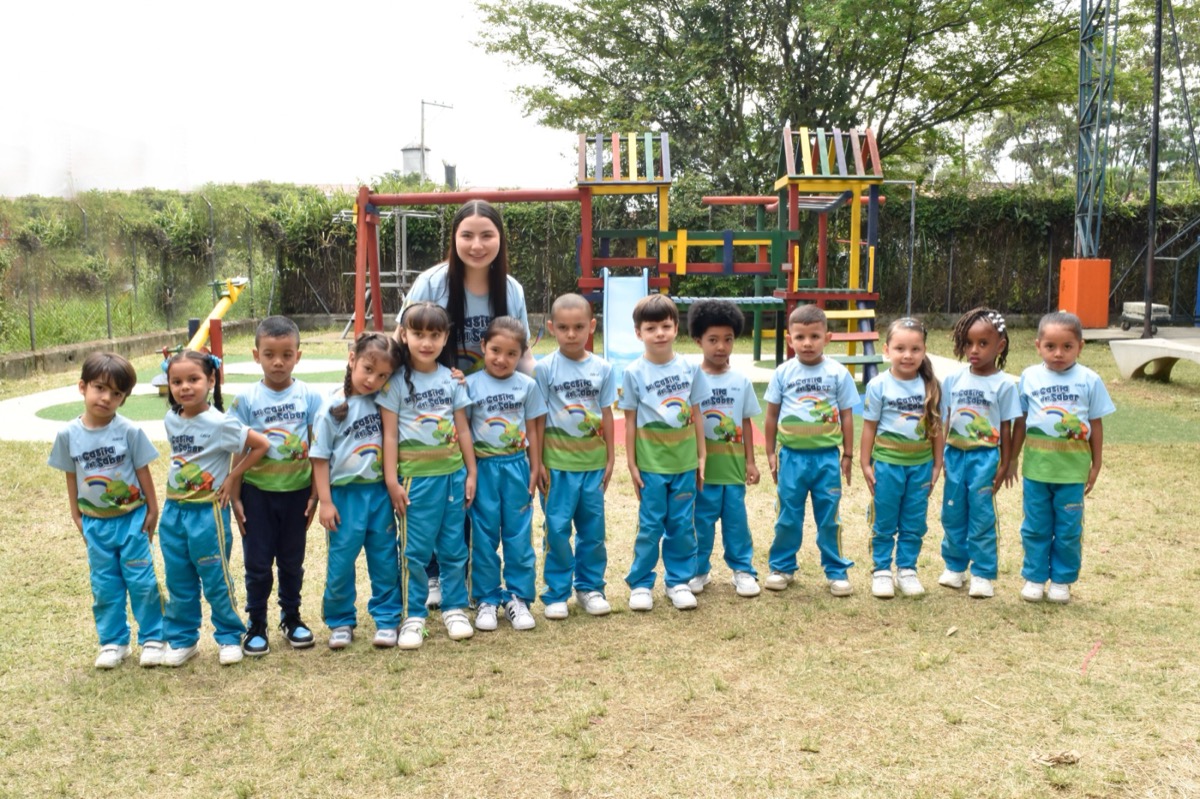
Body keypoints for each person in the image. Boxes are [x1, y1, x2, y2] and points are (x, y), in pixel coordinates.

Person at [392, 200, 533, 607]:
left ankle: (466, 574)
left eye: (487, 235)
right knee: (437, 490)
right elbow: (405, 338)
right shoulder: (432, 283)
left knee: (472, 496)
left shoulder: (511, 289)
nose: (476, 244)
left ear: (500, 238)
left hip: (489, 412)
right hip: (438, 408)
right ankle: (433, 575)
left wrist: (539, 390)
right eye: (467, 235)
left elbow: (521, 354)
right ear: (453, 239)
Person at [48, 352, 165, 669]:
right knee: (105, 586)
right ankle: (113, 643)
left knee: (142, 582)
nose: (106, 398)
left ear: (123, 399)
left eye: (116, 393)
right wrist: (76, 515)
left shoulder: (129, 431)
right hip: (95, 525)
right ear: (82, 387)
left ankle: (153, 637)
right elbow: (72, 476)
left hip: (132, 521)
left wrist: (152, 511)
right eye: (100, 388)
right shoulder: (67, 435)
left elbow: (143, 473)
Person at [159, 350, 268, 666]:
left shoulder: (222, 422)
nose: (185, 387)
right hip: (174, 512)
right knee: (178, 578)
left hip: (208, 515)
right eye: (176, 381)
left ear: (211, 380)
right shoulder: (171, 419)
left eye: (193, 379)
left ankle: (229, 636)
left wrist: (233, 477)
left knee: (215, 577)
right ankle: (183, 640)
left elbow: (261, 445)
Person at [379, 302, 477, 649]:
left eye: (434, 335)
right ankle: (414, 615)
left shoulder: (452, 378)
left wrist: (471, 472)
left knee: (454, 548)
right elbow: (389, 435)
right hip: (415, 482)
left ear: (445, 337)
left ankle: (455, 608)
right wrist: (392, 480)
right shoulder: (393, 384)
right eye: (418, 334)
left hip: (453, 476)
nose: (426, 342)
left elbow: (463, 429)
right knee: (415, 551)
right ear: (403, 334)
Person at [227, 316, 322, 656]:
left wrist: (314, 494)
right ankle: (256, 624)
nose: (278, 362)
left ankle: (292, 617)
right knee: (257, 561)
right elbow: (237, 450)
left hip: (297, 494)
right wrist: (235, 496)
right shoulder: (246, 400)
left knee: (292, 560)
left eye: (286, 354)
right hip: (257, 496)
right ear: (256, 356)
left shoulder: (310, 396)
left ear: (298, 355)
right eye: (269, 354)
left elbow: (317, 447)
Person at [1010, 311, 1114, 604]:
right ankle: (1034, 577)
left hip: (1072, 472)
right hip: (1036, 470)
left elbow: (1095, 423)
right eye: (1051, 346)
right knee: (1035, 526)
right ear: (1038, 345)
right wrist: (1013, 458)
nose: (1058, 353)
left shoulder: (1090, 380)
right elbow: (1021, 420)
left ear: (1080, 346)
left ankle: (1062, 580)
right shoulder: (1029, 376)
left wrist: (1096, 463)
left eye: (1067, 347)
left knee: (1068, 529)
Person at [310, 332, 404, 650]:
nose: (373, 379)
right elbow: (319, 458)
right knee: (341, 561)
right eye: (367, 369)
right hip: (344, 498)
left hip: (378, 495)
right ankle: (340, 621)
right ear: (352, 359)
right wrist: (325, 501)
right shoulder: (332, 407)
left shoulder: (386, 401)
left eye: (383, 375)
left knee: (385, 558)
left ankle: (388, 618)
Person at [618, 293, 710, 612]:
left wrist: (701, 456)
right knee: (650, 525)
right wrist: (631, 464)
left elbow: (697, 413)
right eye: (651, 327)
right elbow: (629, 422)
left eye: (666, 326)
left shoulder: (690, 367)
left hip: (684, 465)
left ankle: (678, 581)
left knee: (682, 525)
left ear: (676, 328)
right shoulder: (633, 373)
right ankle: (641, 583)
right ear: (638, 333)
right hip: (651, 466)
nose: (659, 333)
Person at [763, 305, 858, 596]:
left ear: (827, 337)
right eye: (800, 336)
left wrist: (848, 454)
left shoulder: (838, 373)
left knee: (829, 517)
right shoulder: (783, 372)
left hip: (827, 459)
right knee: (788, 516)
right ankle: (781, 567)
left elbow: (847, 416)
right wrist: (769, 452)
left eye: (814, 336)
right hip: (791, 458)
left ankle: (836, 571)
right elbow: (771, 415)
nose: (807, 343)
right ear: (789, 338)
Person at [534, 293, 616, 619]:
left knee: (592, 531)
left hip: (593, 466)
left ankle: (590, 588)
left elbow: (607, 413)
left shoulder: (604, 369)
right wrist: (537, 461)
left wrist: (611, 458)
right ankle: (556, 592)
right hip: (556, 468)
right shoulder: (544, 369)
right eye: (564, 327)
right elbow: (537, 418)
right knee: (556, 530)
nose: (571, 334)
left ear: (592, 327)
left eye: (579, 327)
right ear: (552, 327)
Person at [465, 317, 547, 631]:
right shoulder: (470, 385)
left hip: (516, 467)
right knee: (483, 536)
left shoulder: (527, 386)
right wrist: (470, 472)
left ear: (521, 355)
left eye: (511, 353)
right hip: (483, 468)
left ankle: (518, 598)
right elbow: (464, 430)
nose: (502, 359)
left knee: (518, 534)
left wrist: (535, 466)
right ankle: (486, 599)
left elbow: (535, 430)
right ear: (483, 346)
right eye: (495, 350)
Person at [938, 308, 1021, 599]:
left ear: (1000, 346)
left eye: (983, 343)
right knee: (952, 511)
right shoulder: (952, 380)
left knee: (982, 515)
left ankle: (983, 573)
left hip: (985, 458)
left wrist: (1008, 462)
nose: (974, 350)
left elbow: (1007, 427)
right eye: (968, 343)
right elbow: (945, 420)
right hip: (955, 455)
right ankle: (954, 567)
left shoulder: (1005, 385)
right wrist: (941, 457)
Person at [861, 317, 944, 599]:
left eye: (915, 349)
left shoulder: (931, 386)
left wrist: (936, 465)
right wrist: (864, 462)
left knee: (914, 520)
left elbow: (937, 429)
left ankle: (907, 569)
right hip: (886, 466)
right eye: (900, 348)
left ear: (924, 351)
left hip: (920, 468)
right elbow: (869, 426)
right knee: (884, 519)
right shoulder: (878, 385)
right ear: (887, 350)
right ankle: (882, 571)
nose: (907, 355)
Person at [687, 300, 762, 598]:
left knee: (736, 524)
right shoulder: (691, 378)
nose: (721, 347)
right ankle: (698, 570)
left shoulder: (741, 380)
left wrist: (751, 462)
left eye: (728, 339)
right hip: (702, 473)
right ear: (698, 341)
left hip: (732, 471)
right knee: (700, 524)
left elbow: (744, 421)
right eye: (713, 340)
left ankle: (742, 570)